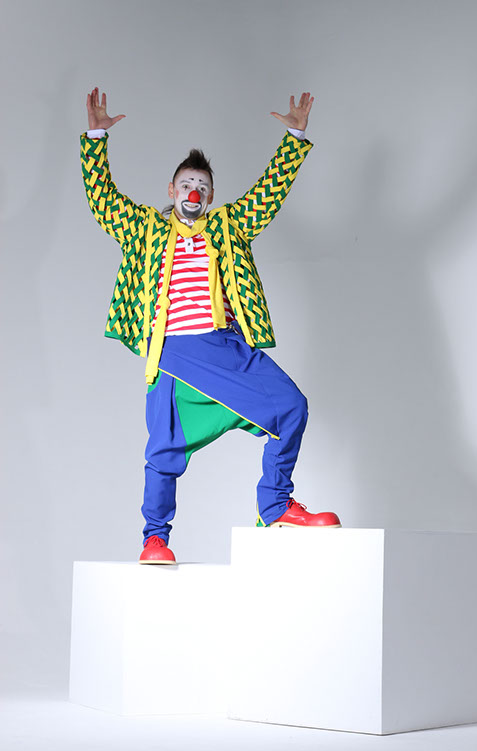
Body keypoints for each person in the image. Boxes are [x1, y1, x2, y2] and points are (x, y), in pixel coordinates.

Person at [81, 87, 341, 564]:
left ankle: (275, 505)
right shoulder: (144, 228)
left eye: (201, 186)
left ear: (212, 196)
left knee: (291, 407)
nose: (193, 192)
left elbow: (268, 194)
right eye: (186, 185)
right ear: (171, 191)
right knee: (163, 452)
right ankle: (154, 539)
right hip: (170, 353)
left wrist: (294, 138)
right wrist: (96, 137)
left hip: (225, 347)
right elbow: (103, 201)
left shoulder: (228, 225)